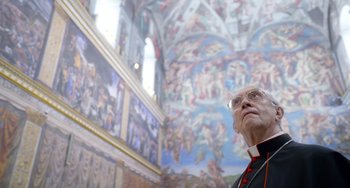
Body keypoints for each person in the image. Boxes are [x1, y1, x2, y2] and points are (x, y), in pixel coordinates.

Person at [228, 85, 350, 188]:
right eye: (236, 102)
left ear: (278, 112)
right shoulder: (238, 184)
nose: (244, 103)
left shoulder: (319, 159)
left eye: (254, 96)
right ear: (235, 127)